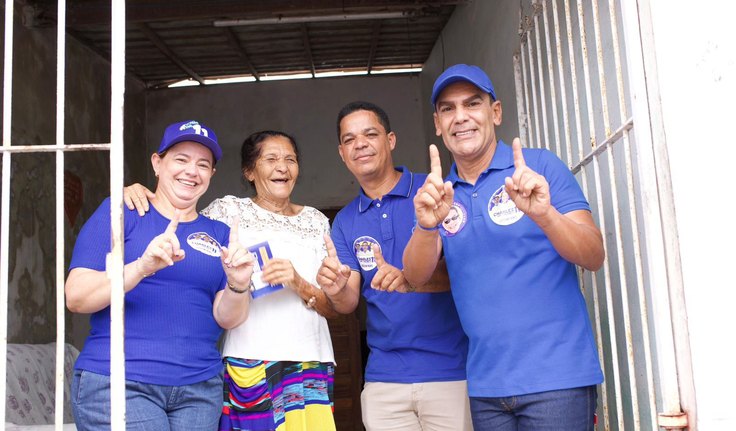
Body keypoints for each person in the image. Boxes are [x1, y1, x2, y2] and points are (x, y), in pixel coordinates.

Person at [402, 64, 606, 431]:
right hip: (487, 386)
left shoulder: (539, 167)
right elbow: (415, 277)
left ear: (495, 112)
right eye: (448, 108)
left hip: (556, 378)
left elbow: (593, 254)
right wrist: (426, 225)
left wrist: (545, 216)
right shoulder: (439, 194)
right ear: (437, 122)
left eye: (472, 104)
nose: (460, 117)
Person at [124, 130, 338, 431]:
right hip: (248, 359)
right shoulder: (228, 211)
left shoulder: (316, 220)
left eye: (290, 159)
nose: (282, 167)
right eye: (271, 159)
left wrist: (298, 282)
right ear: (249, 171)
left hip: (310, 360)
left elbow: (333, 307)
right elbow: (177, 215)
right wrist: (135, 192)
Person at [66, 120, 255, 431]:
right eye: (181, 159)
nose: (192, 171)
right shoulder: (121, 211)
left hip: (199, 389)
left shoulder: (220, 234)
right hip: (120, 380)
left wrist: (238, 283)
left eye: (203, 164)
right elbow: (76, 297)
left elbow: (228, 318)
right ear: (157, 163)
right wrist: (141, 267)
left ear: (211, 175)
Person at [316, 101, 473, 430]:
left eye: (370, 134)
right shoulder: (345, 221)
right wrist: (335, 288)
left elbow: (467, 272)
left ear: (390, 140)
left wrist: (409, 278)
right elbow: (349, 302)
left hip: (450, 371)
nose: (360, 143)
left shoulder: (432, 193)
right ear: (342, 153)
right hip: (384, 379)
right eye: (349, 139)